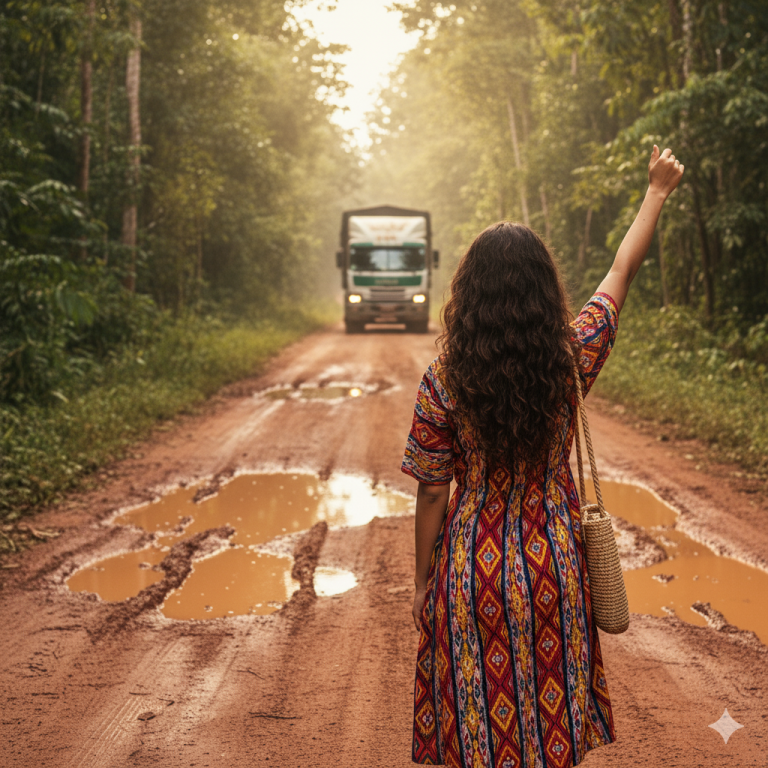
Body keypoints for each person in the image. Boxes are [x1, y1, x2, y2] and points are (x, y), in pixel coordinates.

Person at [400, 146, 684, 767]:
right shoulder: (569, 360)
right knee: (547, 718)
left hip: (471, 570)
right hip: (554, 566)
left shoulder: (443, 379)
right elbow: (619, 273)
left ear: (467, 293)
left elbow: (429, 490)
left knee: (478, 720)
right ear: (543, 290)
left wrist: (423, 583)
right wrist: (655, 193)